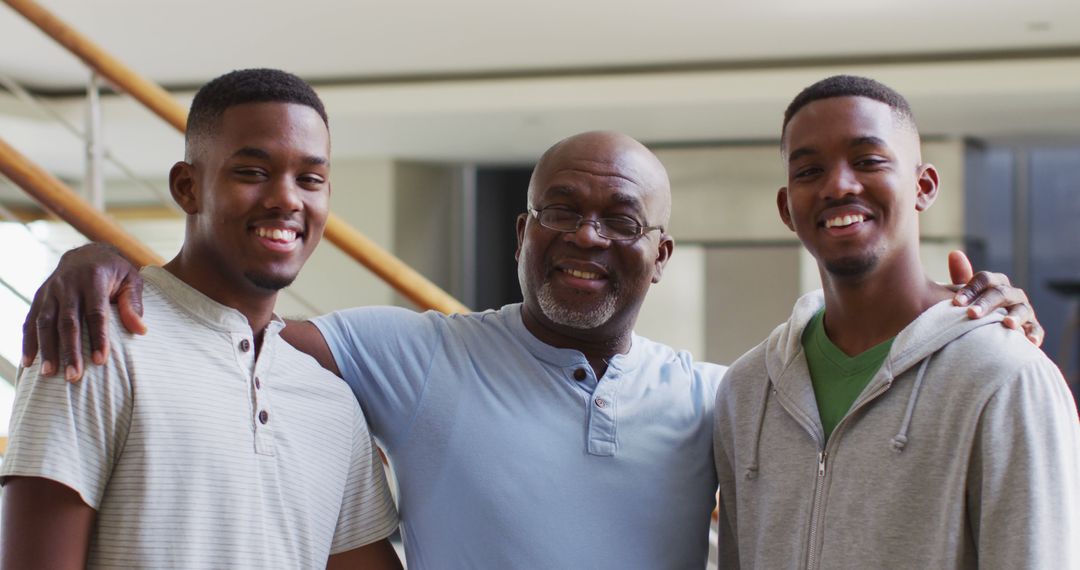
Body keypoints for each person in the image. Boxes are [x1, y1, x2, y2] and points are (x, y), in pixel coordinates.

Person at [19, 130, 1042, 569]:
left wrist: (994, 314)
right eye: (559, 210)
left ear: (661, 254)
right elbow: (222, 323)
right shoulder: (411, 356)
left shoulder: (723, 397)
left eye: (618, 219)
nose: (586, 237)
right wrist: (103, 263)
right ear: (521, 233)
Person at [1, 69, 401, 569]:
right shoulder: (97, 338)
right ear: (187, 187)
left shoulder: (331, 400)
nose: (287, 198)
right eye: (252, 172)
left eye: (310, 179)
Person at [713, 75, 1080, 569]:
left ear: (923, 187)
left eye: (868, 161)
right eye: (809, 171)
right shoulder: (746, 389)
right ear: (786, 208)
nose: (838, 185)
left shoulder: (1005, 375)